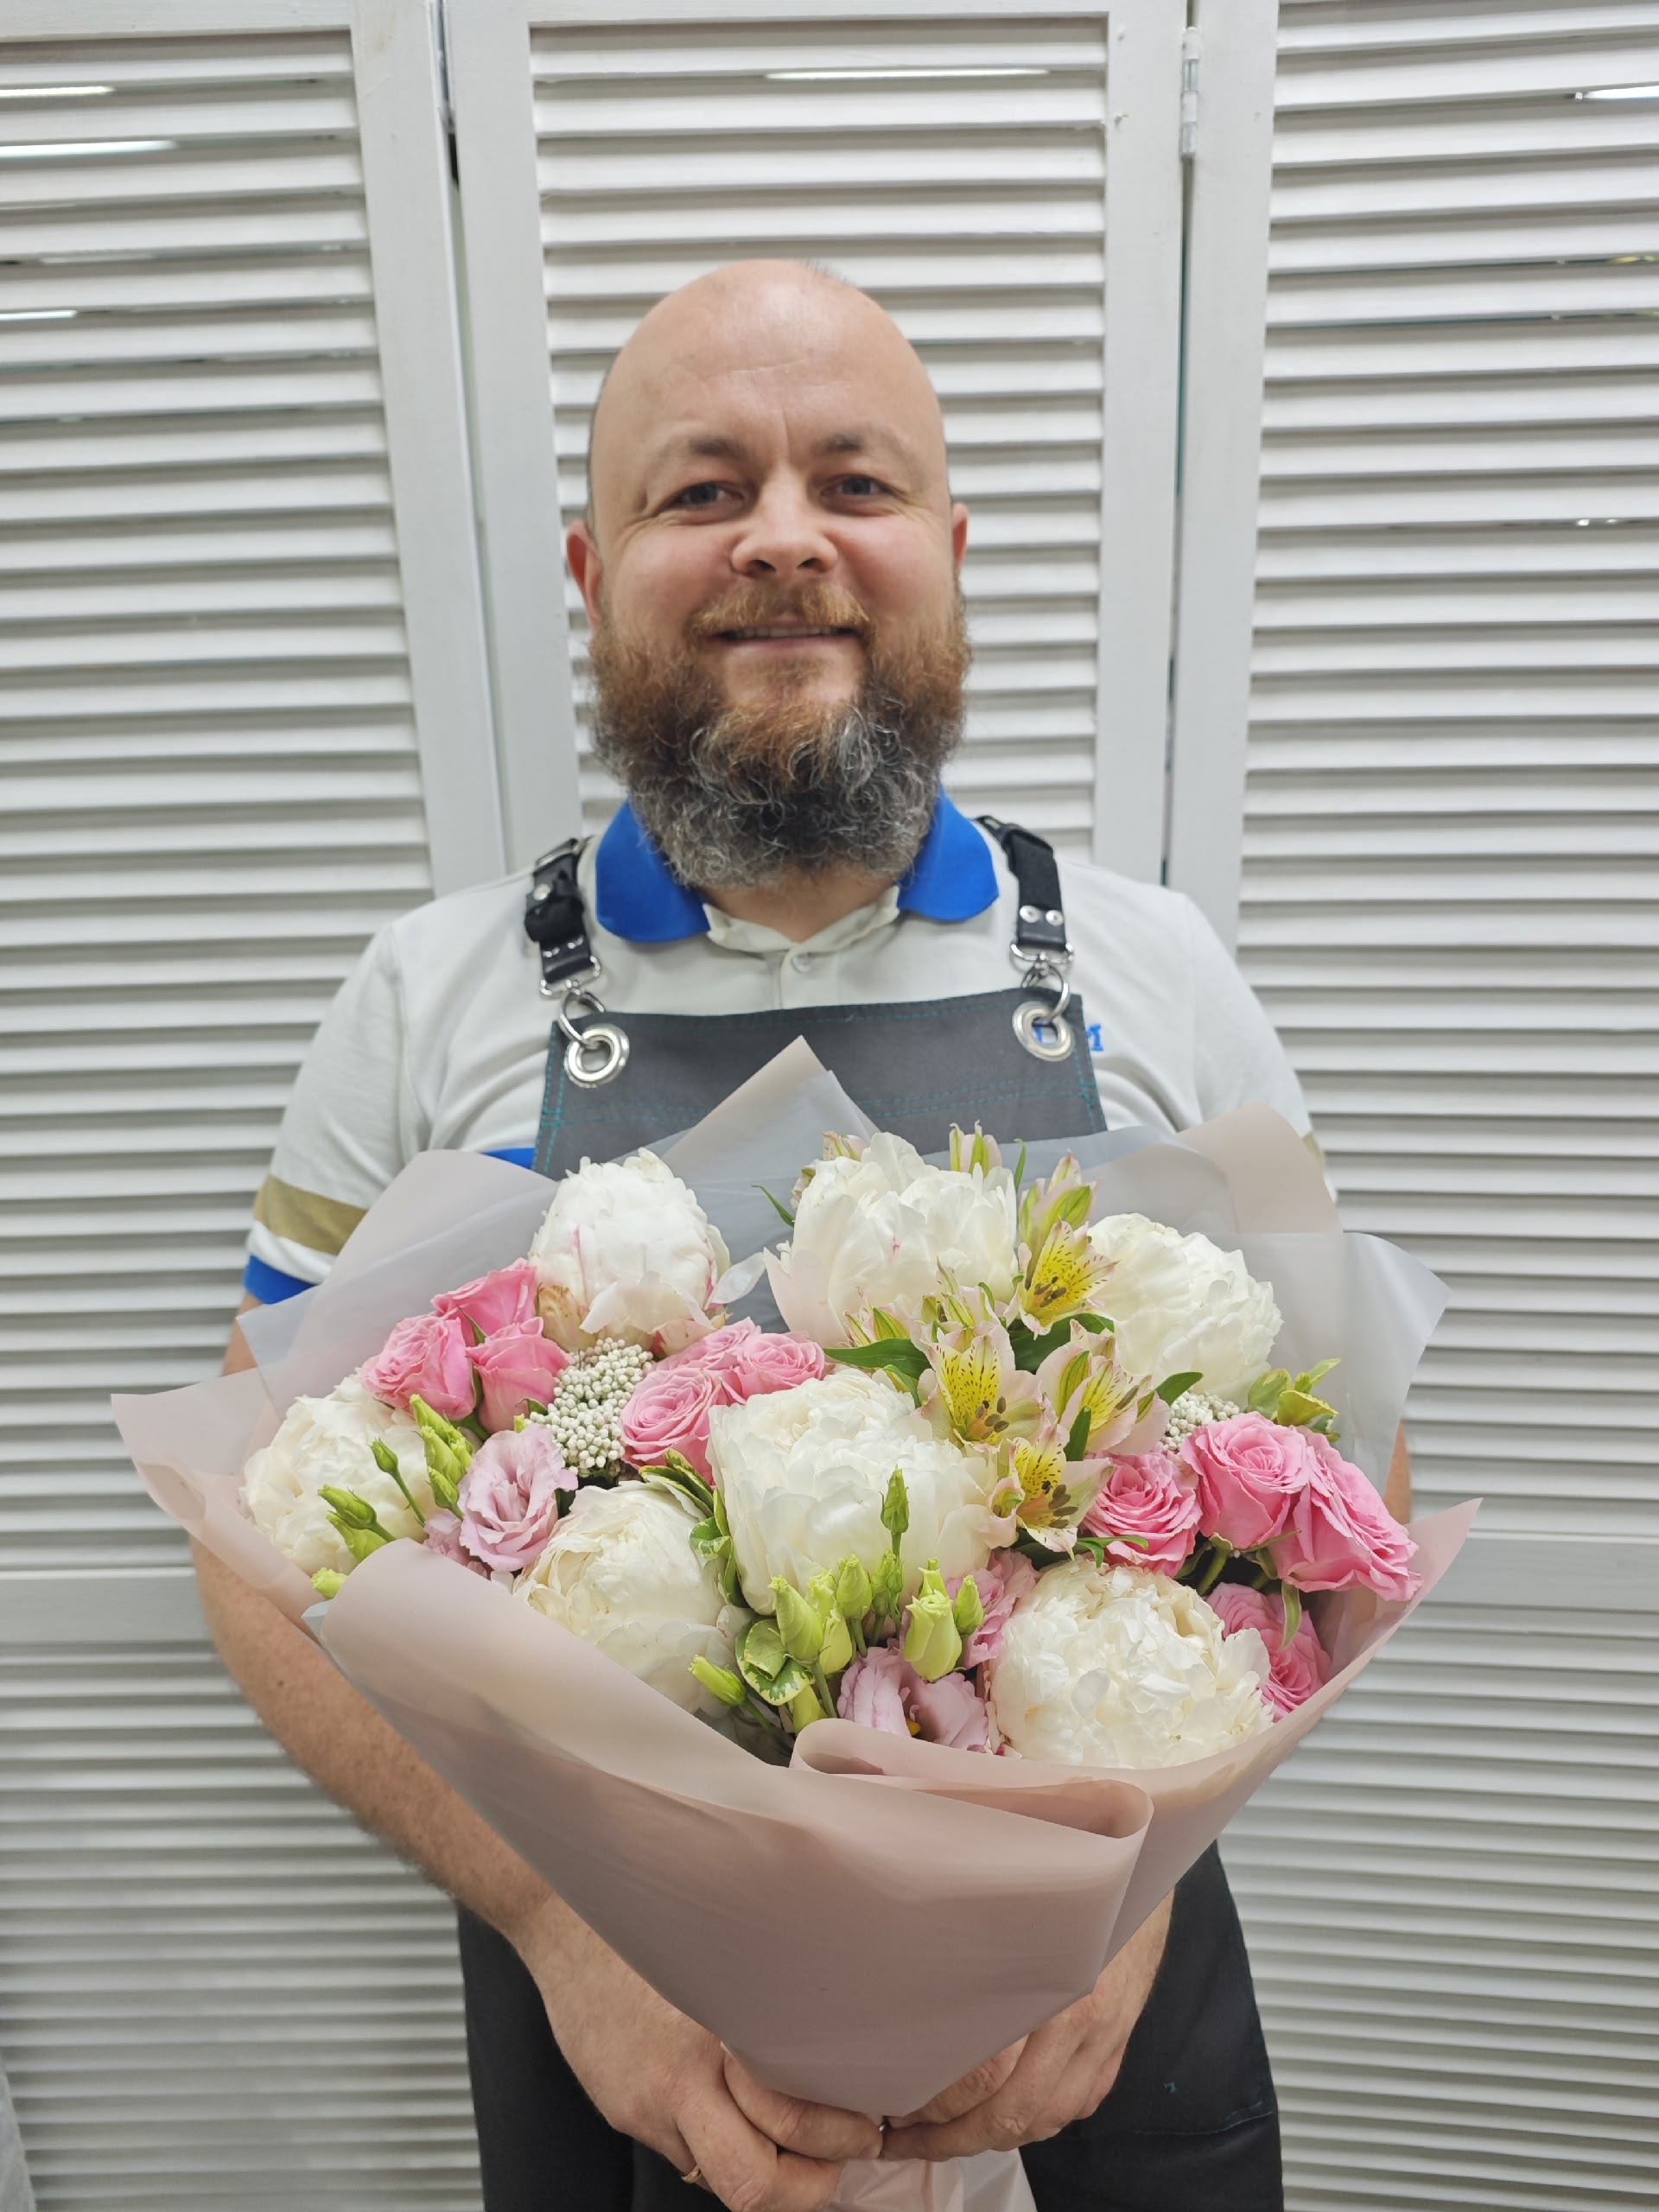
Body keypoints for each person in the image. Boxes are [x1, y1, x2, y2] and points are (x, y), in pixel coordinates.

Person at [201, 260, 1357, 2212]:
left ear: (950, 556)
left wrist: (1131, 1902)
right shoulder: (422, 1006)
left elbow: (1333, 1478)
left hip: (1105, 2028)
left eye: (856, 481)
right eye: (705, 489)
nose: (786, 539)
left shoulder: (1161, 977)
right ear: (595, 575)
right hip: (623, 2039)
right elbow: (257, 1540)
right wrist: (558, 1917)